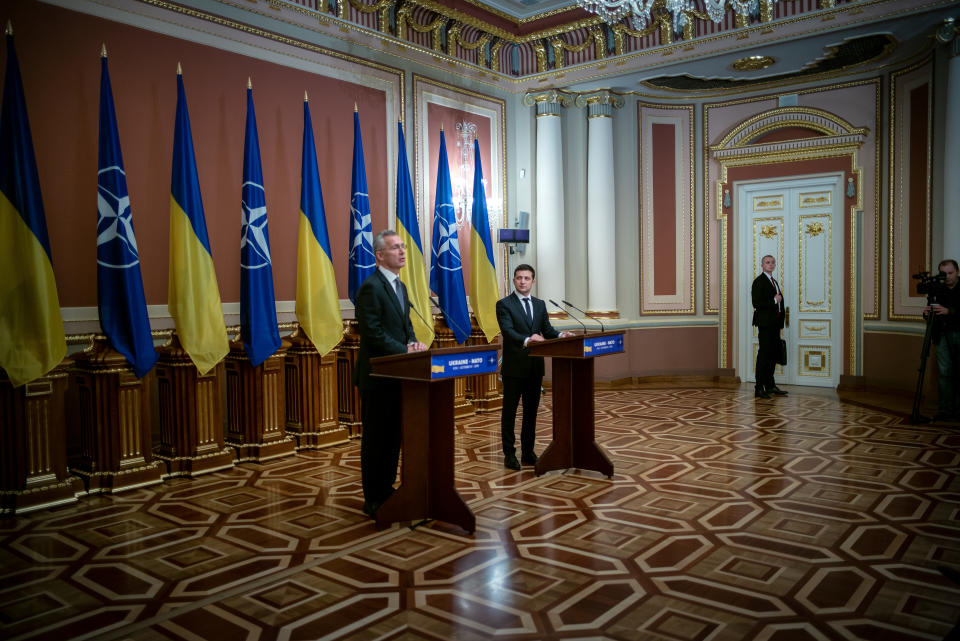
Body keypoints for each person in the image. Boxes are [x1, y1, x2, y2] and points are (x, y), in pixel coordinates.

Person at [353, 230, 427, 516]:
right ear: (380, 255)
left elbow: (405, 325)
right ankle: (373, 498)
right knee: (376, 440)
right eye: (395, 248)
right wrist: (404, 350)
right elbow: (373, 334)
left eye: (403, 246)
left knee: (394, 436)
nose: (402, 251)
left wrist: (413, 342)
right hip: (377, 377)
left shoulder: (401, 287)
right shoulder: (371, 287)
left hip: (399, 375)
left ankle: (387, 490)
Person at [496, 264, 573, 470]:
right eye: (519, 278)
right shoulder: (504, 304)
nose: (522, 281)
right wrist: (529, 339)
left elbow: (547, 330)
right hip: (514, 368)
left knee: (531, 412)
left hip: (535, 368)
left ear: (533, 281)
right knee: (509, 412)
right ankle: (509, 454)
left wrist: (560, 336)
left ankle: (528, 452)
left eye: (526, 278)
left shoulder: (539, 305)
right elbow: (508, 331)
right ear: (514, 281)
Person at [924, 259, 959, 421]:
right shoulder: (937, 289)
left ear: (957, 272)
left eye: (951, 273)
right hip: (941, 334)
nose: (948, 277)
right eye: (944, 274)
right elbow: (930, 312)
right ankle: (945, 410)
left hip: (958, 332)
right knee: (945, 373)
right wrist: (926, 313)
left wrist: (949, 311)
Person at [752, 254, 788, 399]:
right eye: (767, 262)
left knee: (773, 355)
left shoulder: (774, 281)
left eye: (773, 262)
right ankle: (759, 388)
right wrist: (774, 300)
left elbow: (780, 304)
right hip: (765, 325)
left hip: (774, 325)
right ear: (762, 265)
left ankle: (770, 385)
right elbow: (757, 303)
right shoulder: (759, 282)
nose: (771, 265)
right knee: (764, 356)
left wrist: (780, 322)